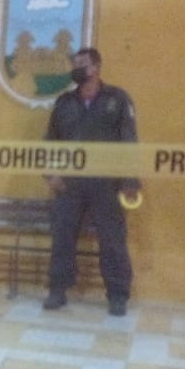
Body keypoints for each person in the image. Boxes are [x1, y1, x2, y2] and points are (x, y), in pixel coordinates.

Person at [41, 47, 140, 316]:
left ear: (96, 67)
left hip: (107, 183)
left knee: (113, 240)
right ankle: (57, 290)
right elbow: (50, 142)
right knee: (62, 237)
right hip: (70, 183)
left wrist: (130, 182)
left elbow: (129, 141)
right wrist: (51, 175)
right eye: (74, 63)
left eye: (81, 64)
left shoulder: (117, 99)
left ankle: (117, 296)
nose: (76, 68)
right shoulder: (64, 103)